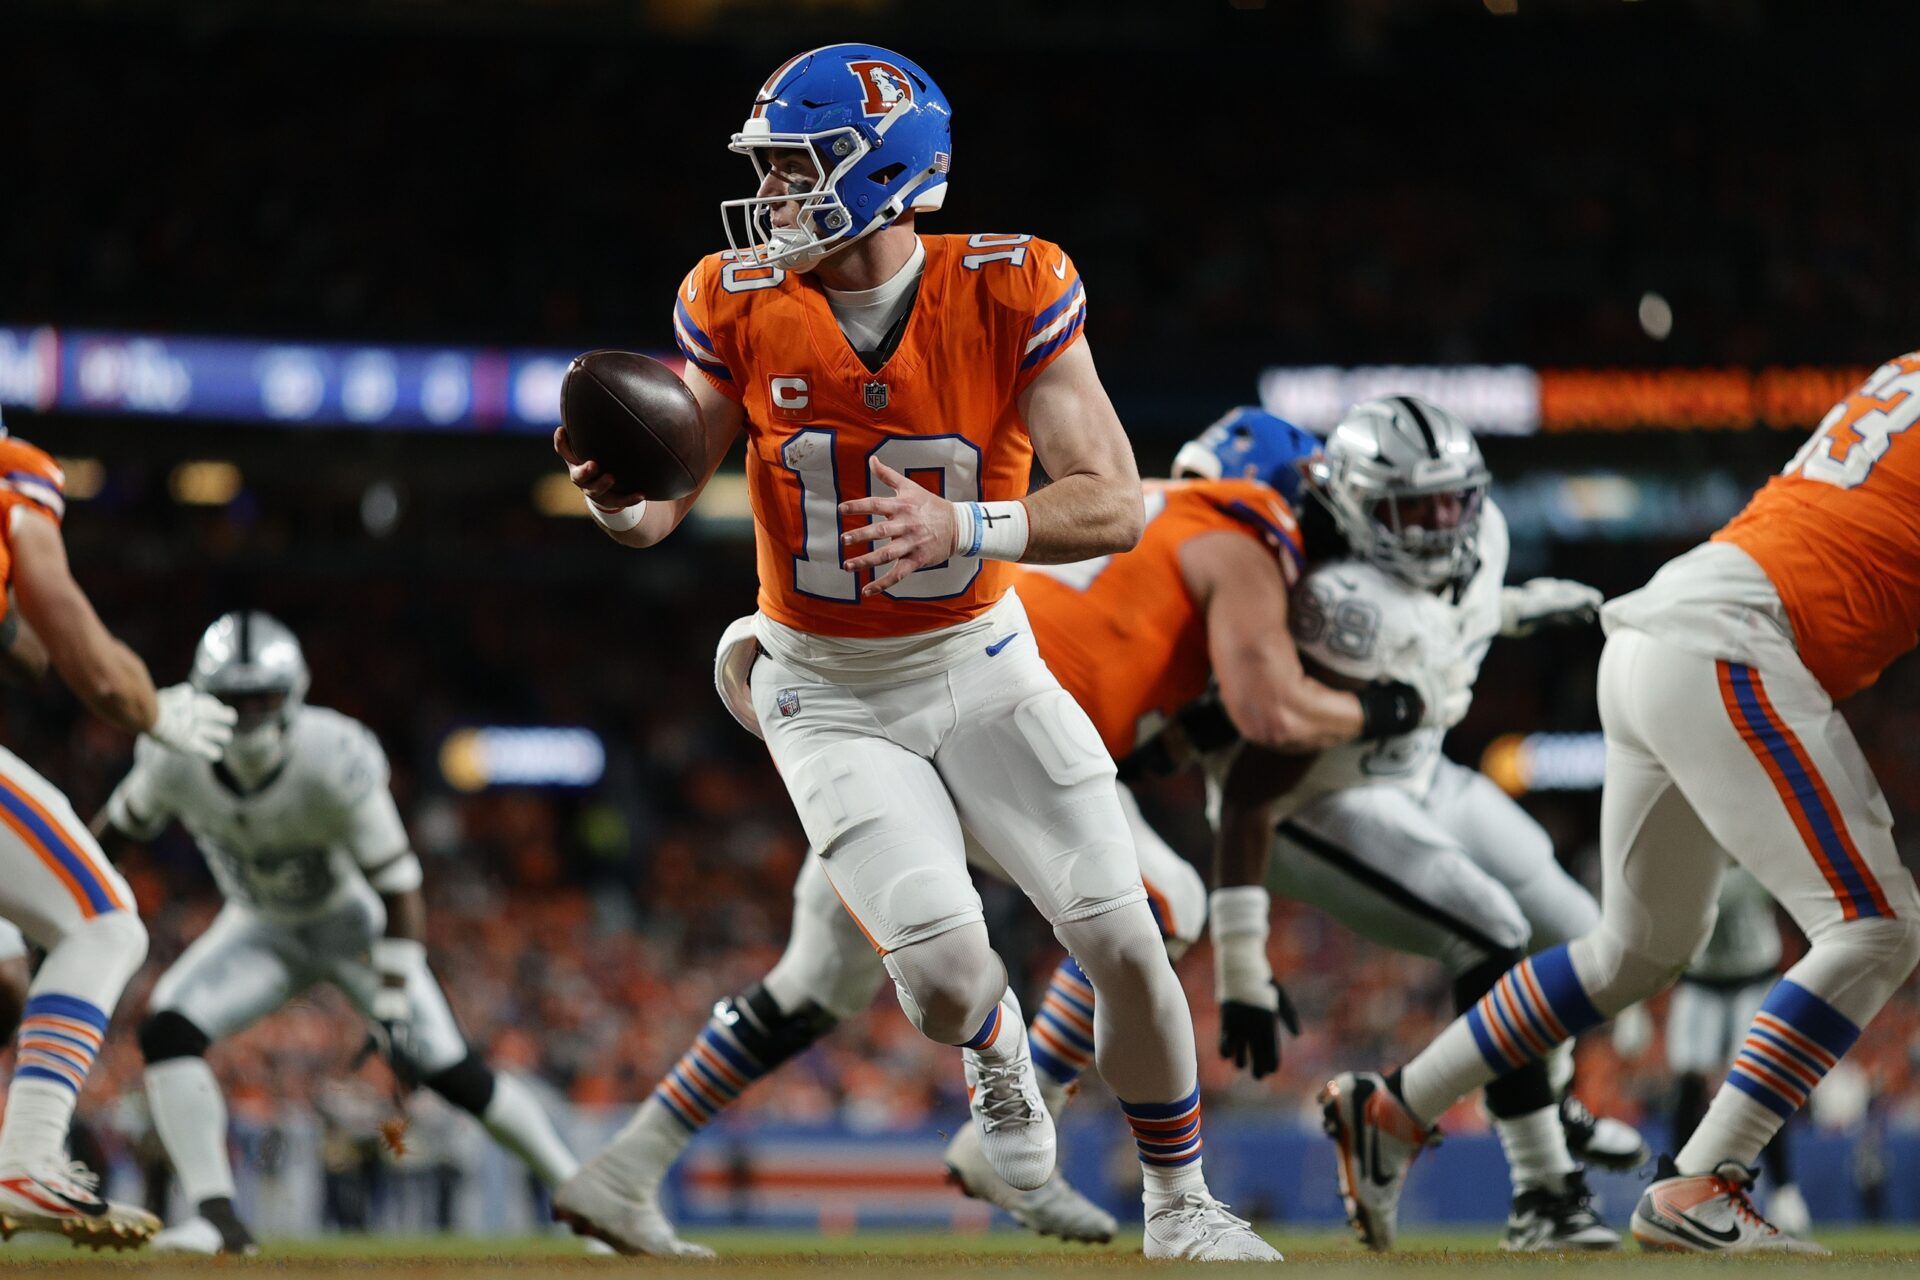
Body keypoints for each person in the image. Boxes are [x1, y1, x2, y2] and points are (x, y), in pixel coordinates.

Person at [555, 44, 1275, 1262]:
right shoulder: (733, 295)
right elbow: (662, 509)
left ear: (884, 170)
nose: (773, 196)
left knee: (1128, 933)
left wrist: (968, 524)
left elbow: (1112, 502)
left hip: (984, 660)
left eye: (795, 169)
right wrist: (615, 497)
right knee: (944, 978)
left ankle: (1182, 1204)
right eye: (768, 170)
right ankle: (999, 1057)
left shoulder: (1011, 284)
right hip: (825, 686)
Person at [560, 407, 1455, 1254]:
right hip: (988, 716)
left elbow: (1154, 677)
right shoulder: (1243, 523)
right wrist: (1388, 705)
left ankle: (623, 1169)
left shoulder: (1157, 508)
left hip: (879, 709)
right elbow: (1270, 710)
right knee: (1159, 902)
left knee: (815, 984)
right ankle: (1026, 1138)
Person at [1317, 354, 1920, 1254]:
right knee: (1877, 924)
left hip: (1662, 631)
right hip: (1733, 643)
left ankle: (1397, 1106)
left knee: (1631, 951)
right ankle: (1703, 1182)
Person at [1199, 396, 1642, 1251]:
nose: (1443, 524)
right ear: (1358, 504)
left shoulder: (1486, 539)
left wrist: (1510, 610)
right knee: (1492, 931)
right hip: (1318, 803)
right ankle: (1544, 1189)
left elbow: (1439, 625)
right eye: (1414, 508)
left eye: (1452, 500)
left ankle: (1534, 1094)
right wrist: (1242, 966)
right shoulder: (1336, 597)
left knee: (1593, 942)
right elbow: (1253, 786)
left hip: (1422, 772)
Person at [93, 612, 582, 1255]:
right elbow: (110, 838)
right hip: (259, 926)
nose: (244, 717)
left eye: (259, 699)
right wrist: (73, 909)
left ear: (293, 697)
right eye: (230, 700)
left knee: (452, 1072)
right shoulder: (171, 747)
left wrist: (391, 993)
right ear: (202, 697)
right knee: (166, 1030)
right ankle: (218, 1218)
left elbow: (399, 883)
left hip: (352, 928)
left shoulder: (333, 752)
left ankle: (585, 1196)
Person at [0, 424, 236, 1248]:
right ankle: (27, 1156)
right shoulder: (14, 475)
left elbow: (20, 655)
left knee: (3, 977)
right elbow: (83, 659)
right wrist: (155, 709)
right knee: (103, 920)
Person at [1660, 867, 1808, 1235]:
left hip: (1753, 975)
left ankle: (1784, 1190)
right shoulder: (1685, 853)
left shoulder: (1754, 849)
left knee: (1761, 1080)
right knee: (1688, 1083)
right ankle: (1675, 1190)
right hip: (1700, 980)